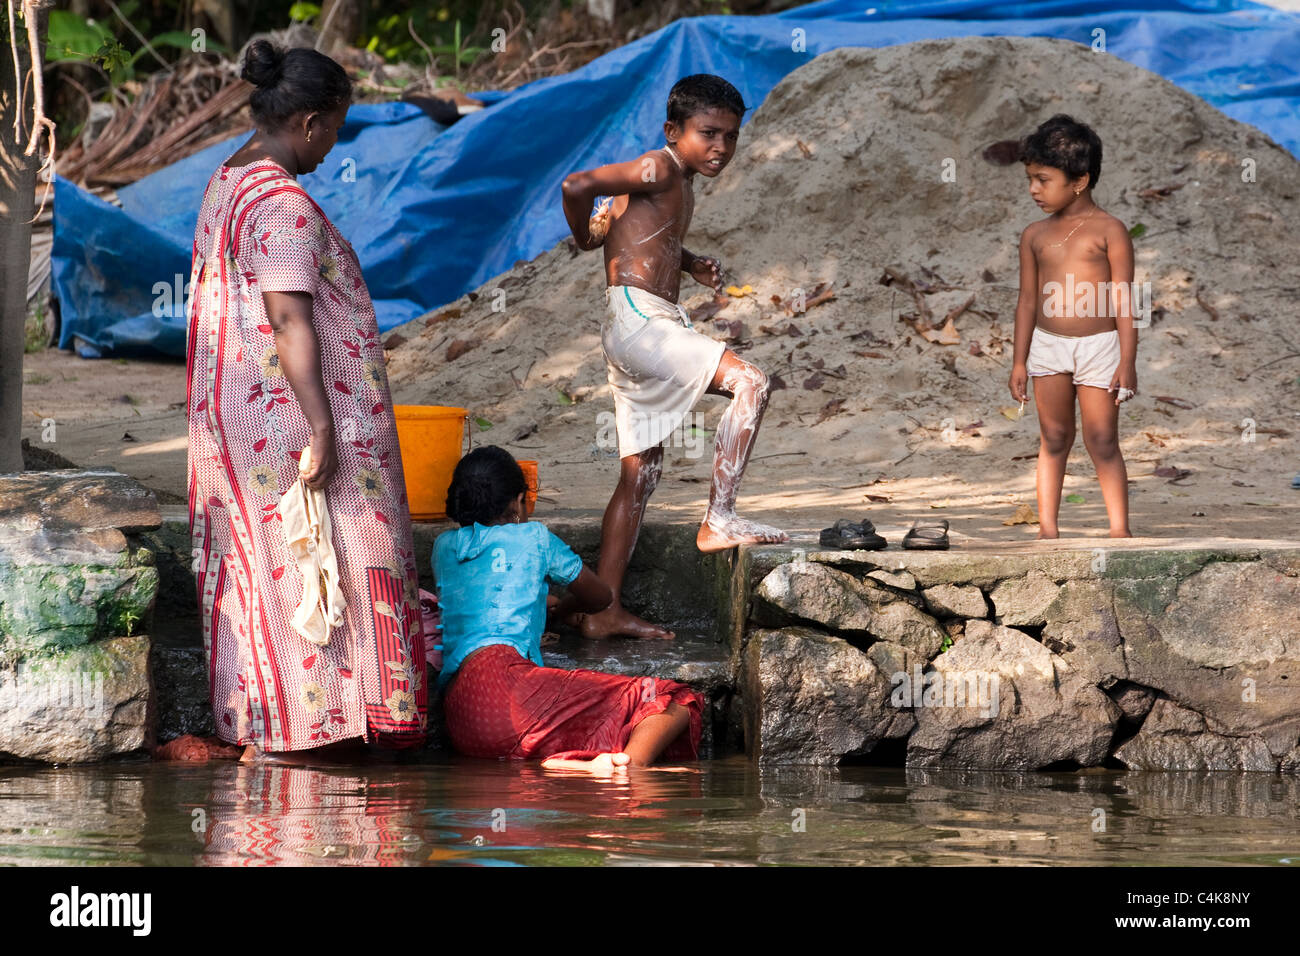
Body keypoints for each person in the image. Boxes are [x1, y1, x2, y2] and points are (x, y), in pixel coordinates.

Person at [187, 40, 427, 764]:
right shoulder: (283, 204)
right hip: (286, 413)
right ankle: (326, 724)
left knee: (265, 557)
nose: (333, 148)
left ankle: (259, 720)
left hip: (231, 410)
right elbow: (289, 317)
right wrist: (323, 427)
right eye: (337, 129)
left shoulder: (230, 176)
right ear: (313, 123)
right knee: (339, 546)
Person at [560, 74, 787, 641]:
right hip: (641, 321)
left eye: (731, 137)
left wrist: (687, 263)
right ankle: (719, 518)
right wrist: (586, 237)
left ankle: (603, 609)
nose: (721, 148)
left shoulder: (674, 180)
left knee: (641, 473)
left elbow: (640, 231)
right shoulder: (659, 168)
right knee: (751, 382)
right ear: (672, 131)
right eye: (709, 133)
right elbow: (575, 184)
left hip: (636, 321)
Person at [434, 446, 703, 774]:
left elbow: (488, 596)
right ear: (518, 504)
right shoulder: (534, 537)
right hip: (506, 690)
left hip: (462, 719)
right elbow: (601, 597)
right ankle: (628, 768)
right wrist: (565, 610)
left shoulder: (443, 548)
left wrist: (543, 611)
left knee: (530, 750)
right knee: (672, 699)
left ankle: (575, 766)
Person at [1009, 115, 1138, 539]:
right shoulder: (1034, 235)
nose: (1033, 189)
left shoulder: (1110, 231)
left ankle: (1119, 531)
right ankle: (1048, 531)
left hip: (1101, 347)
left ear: (1079, 181)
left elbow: (1123, 299)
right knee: (1054, 436)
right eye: (1030, 178)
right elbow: (1028, 299)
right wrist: (1018, 361)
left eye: (1043, 180)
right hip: (1048, 347)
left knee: (1102, 439)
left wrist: (1128, 361)